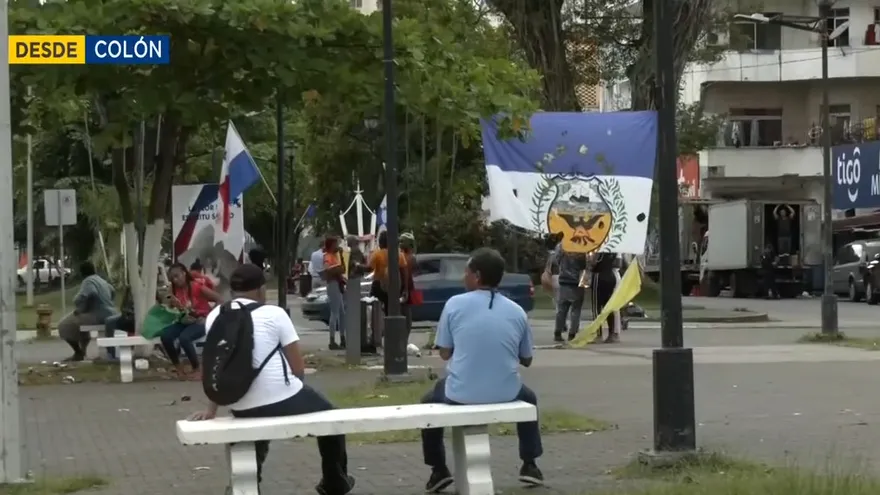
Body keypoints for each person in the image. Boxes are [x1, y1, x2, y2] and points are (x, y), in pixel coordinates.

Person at [186, 264, 355, 495]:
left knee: (254, 425)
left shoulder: (216, 315)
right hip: (282, 397)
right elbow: (297, 369)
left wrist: (212, 409)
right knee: (332, 419)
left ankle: (246, 485)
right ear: (260, 289)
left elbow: (214, 363)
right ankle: (334, 482)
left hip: (237, 399)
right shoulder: (275, 314)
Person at [420, 248, 543, 492]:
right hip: (506, 391)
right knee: (530, 399)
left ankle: (438, 469)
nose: (462, 277)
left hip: (460, 393)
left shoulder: (454, 304)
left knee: (427, 402)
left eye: (465, 272)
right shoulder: (517, 311)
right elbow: (527, 359)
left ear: (476, 276)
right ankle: (530, 464)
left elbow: (444, 352)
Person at [162, 262, 223, 379]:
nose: (175, 280)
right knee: (166, 336)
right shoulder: (173, 289)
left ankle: (197, 369)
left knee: (184, 338)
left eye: (177, 276)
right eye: (172, 278)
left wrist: (209, 317)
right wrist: (171, 305)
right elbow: (169, 307)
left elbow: (219, 299)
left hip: (201, 320)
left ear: (184, 273)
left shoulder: (196, 286)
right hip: (185, 320)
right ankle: (178, 367)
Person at [58, 261, 118, 361]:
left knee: (63, 325)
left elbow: (90, 292)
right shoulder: (101, 280)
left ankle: (78, 352)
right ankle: (83, 351)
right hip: (110, 312)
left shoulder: (88, 281)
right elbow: (112, 290)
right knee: (80, 323)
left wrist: (78, 302)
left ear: (82, 273)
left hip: (98, 315)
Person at [368, 231, 409, 316]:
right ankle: (389, 324)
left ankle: (378, 324)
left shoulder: (377, 254)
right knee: (391, 308)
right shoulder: (399, 254)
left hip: (379, 285)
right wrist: (405, 288)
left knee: (374, 306)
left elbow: (369, 268)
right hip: (394, 285)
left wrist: (358, 267)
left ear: (381, 242)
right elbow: (404, 271)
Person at [552, 246, 587, 342]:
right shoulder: (581, 248)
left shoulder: (561, 246)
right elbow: (584, 265)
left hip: (564, 280)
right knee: (576, 309)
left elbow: (557, 260)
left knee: (562, 309)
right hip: (577, 281)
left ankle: (557, 332)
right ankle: (572, 333)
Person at [590, 253, 626, 344]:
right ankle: (612, 333)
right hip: (612, 275)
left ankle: (598, 334)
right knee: (610, 306)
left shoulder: (600, 250)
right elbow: (619, 263)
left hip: (600, 275)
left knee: (596, 307)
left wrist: (592, 258)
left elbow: (593, 264)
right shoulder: (615, 248)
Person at [323, 236, 347, 350]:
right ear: (331, 245)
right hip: (332, 285)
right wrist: (337, 269)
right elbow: (328, 269)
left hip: (337, 284)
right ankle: (332, 340)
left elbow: (343, 269)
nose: (338, 246)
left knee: (342, 313)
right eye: (336, 244)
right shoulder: (327, 256)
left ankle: (343, 338)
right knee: (335, 313)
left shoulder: (335, 256)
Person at [102, 285, 135, 360]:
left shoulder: (150, 288)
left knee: (112, 322)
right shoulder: (129, 288)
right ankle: (110, 351)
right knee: (109, 321)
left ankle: (112, 352)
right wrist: (128, 312)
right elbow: (123, 306)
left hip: (141, 317)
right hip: (130, 316)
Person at [400, 233, 418, 337]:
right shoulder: (411, 257)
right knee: (407, 317)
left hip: (402, 288)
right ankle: (404, 341)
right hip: (408, 289)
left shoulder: (399, 256)